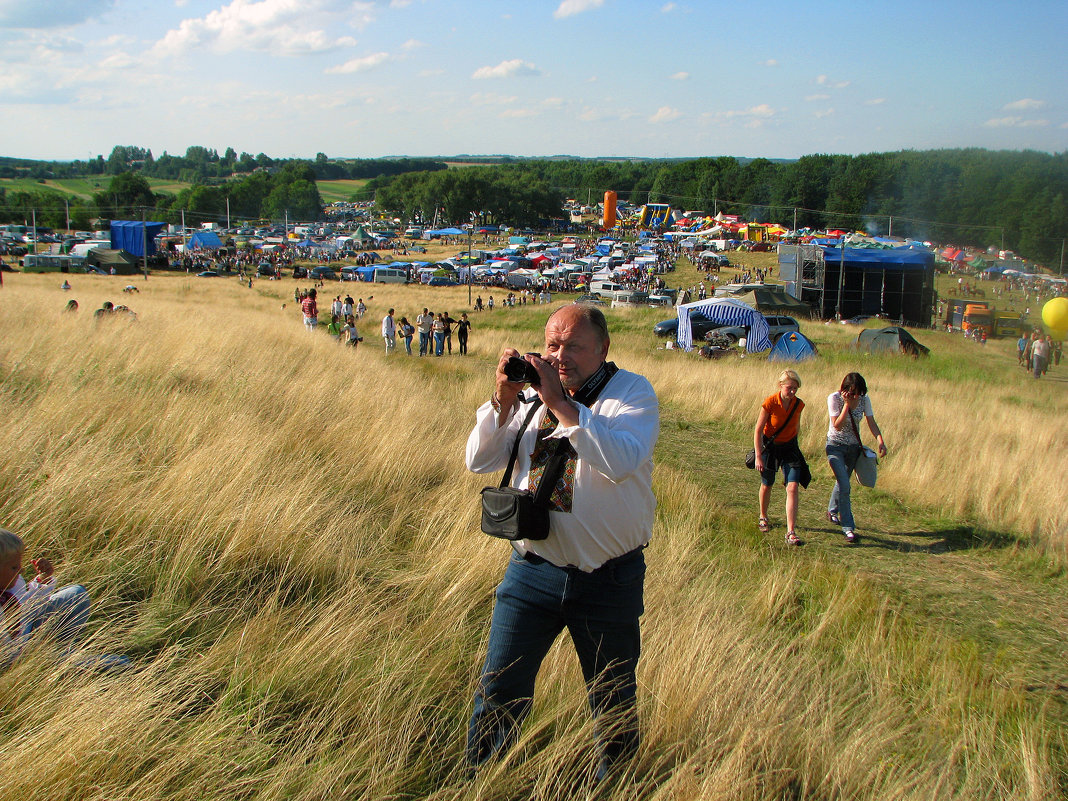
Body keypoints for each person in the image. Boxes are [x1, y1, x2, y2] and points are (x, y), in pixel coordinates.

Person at [465, 304, 659, 778]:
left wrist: (559, 402)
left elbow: (619, 460)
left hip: (607, 580)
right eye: (552, 345)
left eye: (573, 345)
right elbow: (479, 460)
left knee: (611, 699)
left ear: (603, 348)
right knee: (499, 688)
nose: (559, 355)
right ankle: (482, 778)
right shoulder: (533, 397)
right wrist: (504, 400)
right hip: (532, 572)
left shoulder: (631, 393)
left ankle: (615, 785)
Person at [0, 529, 90, 670]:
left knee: (77, 594)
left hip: (27, 634)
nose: (21, 570)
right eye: (14, 567)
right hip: (15, 658)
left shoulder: (14, 583)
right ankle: (64, 662)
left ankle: (66, 649)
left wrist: (43, 580)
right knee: (112, 664)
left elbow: (28, 604)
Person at [825, 372, 888, 545]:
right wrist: (847, 405)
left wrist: (880, 440)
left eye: (858, 393)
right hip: (835, 446)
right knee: (845, 485)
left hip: (853, 448)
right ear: (844, 390)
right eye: (852, 392)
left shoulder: (864, 400)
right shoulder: (834, 398)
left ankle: (831, 511)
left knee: (842, 482)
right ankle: (848, 527)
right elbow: (836, 425)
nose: (855, 396)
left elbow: (871, 422)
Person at [753, 370, 810, 546]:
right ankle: (763, 515)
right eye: (789, 388)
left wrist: (795, 446)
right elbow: (758, 430)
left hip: (790, 448)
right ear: (781, 386)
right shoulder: (770, 402)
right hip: (770, 447)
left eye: (795, 388)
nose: (792, 392)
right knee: (767, 484)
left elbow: (796, 427)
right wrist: (758, 456)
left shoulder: (799, 405)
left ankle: (791, 532)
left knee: (792, 487)